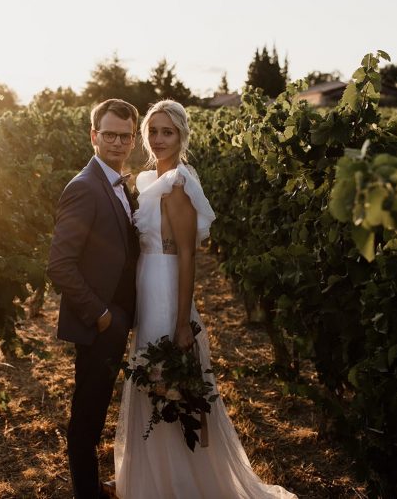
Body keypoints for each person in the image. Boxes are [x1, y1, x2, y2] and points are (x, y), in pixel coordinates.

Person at [113, 100, 297, 498]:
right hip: (147, 288)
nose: (159, 139)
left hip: (165, 291)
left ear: (182, 136)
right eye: (154, 131)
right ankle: (152, 478)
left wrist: (182, 323)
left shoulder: (178, 184)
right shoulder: (147, 180)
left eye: (168, 132)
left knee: (169, 381)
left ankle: (179, 484)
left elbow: (187, 254)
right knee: (151, 381)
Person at [47, 98, 141, 499]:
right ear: (94, 135)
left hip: (119, 319)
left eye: (125, 135)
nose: (117, 142)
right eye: (109, 135)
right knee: (87, 415)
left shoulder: (120, 182)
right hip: (100, 323)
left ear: (134, 139)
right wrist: (102, 315)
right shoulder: (84, 187)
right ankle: (85, 492)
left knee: (99, 408)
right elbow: (60, 264)